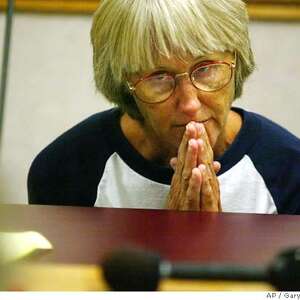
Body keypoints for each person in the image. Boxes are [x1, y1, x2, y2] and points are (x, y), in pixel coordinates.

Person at [28, 0, 300, 214]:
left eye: (205, 69)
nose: (191, 104)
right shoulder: (63, 171)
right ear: (125, 86)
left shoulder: (291, 171)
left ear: (237, 61)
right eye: (159, 77)